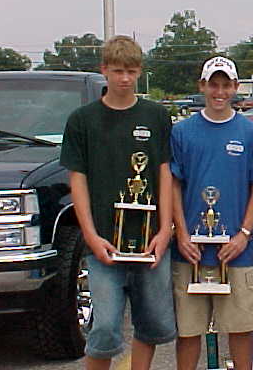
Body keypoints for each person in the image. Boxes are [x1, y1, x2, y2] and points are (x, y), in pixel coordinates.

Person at [60, 35, 176, 370]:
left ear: (139, 71)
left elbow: (164, 173)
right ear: (104, 70)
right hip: (104, 243)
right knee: (105, 328)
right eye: (117, 71)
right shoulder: (82, 120)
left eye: (131, 71)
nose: (124, 78)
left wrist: (165, 230)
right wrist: (91, 236)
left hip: (150, 242)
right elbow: (77, 180)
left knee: (152, 325)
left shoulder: (156, 116)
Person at [170, 56, 253, 370]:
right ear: (202, 86)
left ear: (236, 87)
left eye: (226, 85)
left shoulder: (251, 133)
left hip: (236, 252)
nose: (220, 92)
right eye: (214, 84)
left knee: (240, 330)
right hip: (191, 252)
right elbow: (173, 184)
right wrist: (182, 234)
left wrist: (244, 234)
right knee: (188, 332)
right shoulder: (182, 132)